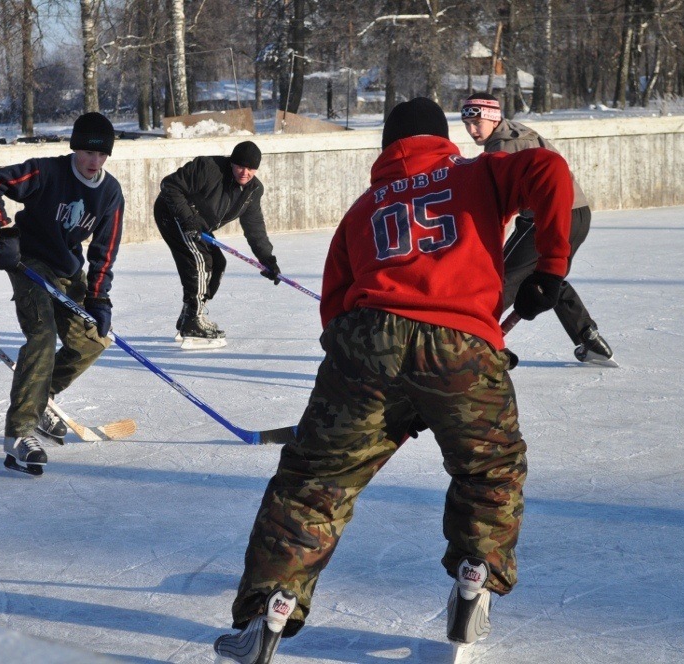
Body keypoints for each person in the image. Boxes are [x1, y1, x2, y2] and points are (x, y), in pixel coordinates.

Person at [213, 98, 575, 663]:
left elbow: (334, 306)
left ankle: (270, 609)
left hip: (366, 342)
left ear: (386, 146)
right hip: (462, 344)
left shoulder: (362, 210)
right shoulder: (478, 172)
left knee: (313, 480)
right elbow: (550, 170)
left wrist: (364, 381)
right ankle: (475, 572)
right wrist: (550, 268)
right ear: (442, 139)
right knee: (489, 466)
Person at [0, 112, 124, 475]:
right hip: (28, 262)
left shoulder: (110, 192)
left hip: (68, 269)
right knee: (42, 336)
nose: (94, 160)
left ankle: (41, 399)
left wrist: (99, 296)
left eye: (101, 154)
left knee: (92, 341)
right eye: (87, 152)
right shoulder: (47, 172)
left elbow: (105, 248)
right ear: (74, 148)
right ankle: (20, 431)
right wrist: (5, 233)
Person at [461, 93, 615, 365]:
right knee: (545, 275)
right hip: (578, 215)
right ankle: (588, 337)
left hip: (545, 218)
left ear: (493, 118)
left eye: (477, 122)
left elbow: (496, 204)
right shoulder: (521, 132)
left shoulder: (501, 147)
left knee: (499, 279)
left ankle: (469, 345)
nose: (472, 130)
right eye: (467, 124)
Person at [153, 140, 280, 349]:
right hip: (173, 213)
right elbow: (170, 185)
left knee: (218, 263)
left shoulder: (253, 191)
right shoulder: (209, 168)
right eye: (240, 166)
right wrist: (187, 221)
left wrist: (267, 259)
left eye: (251, 168)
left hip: (197, 222)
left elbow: (254, 226)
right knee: (200, 260)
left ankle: (190, 314)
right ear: (232, 163)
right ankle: (193, 320)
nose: (245, 173)